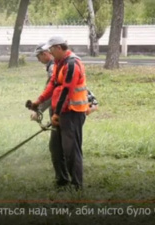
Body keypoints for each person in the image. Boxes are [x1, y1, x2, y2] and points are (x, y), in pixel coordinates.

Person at [29, 36, 94, 190]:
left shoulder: (72, 63)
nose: (49, 52)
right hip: (61, 111)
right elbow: (53, 84)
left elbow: (67, 90)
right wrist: (39, 101)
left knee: (71, 149)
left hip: (73, 112)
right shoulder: (59, 63)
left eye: (51, 49)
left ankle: (77, 185)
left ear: (58, 48)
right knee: (56, 148)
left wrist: (56, 114)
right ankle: (62, 180)